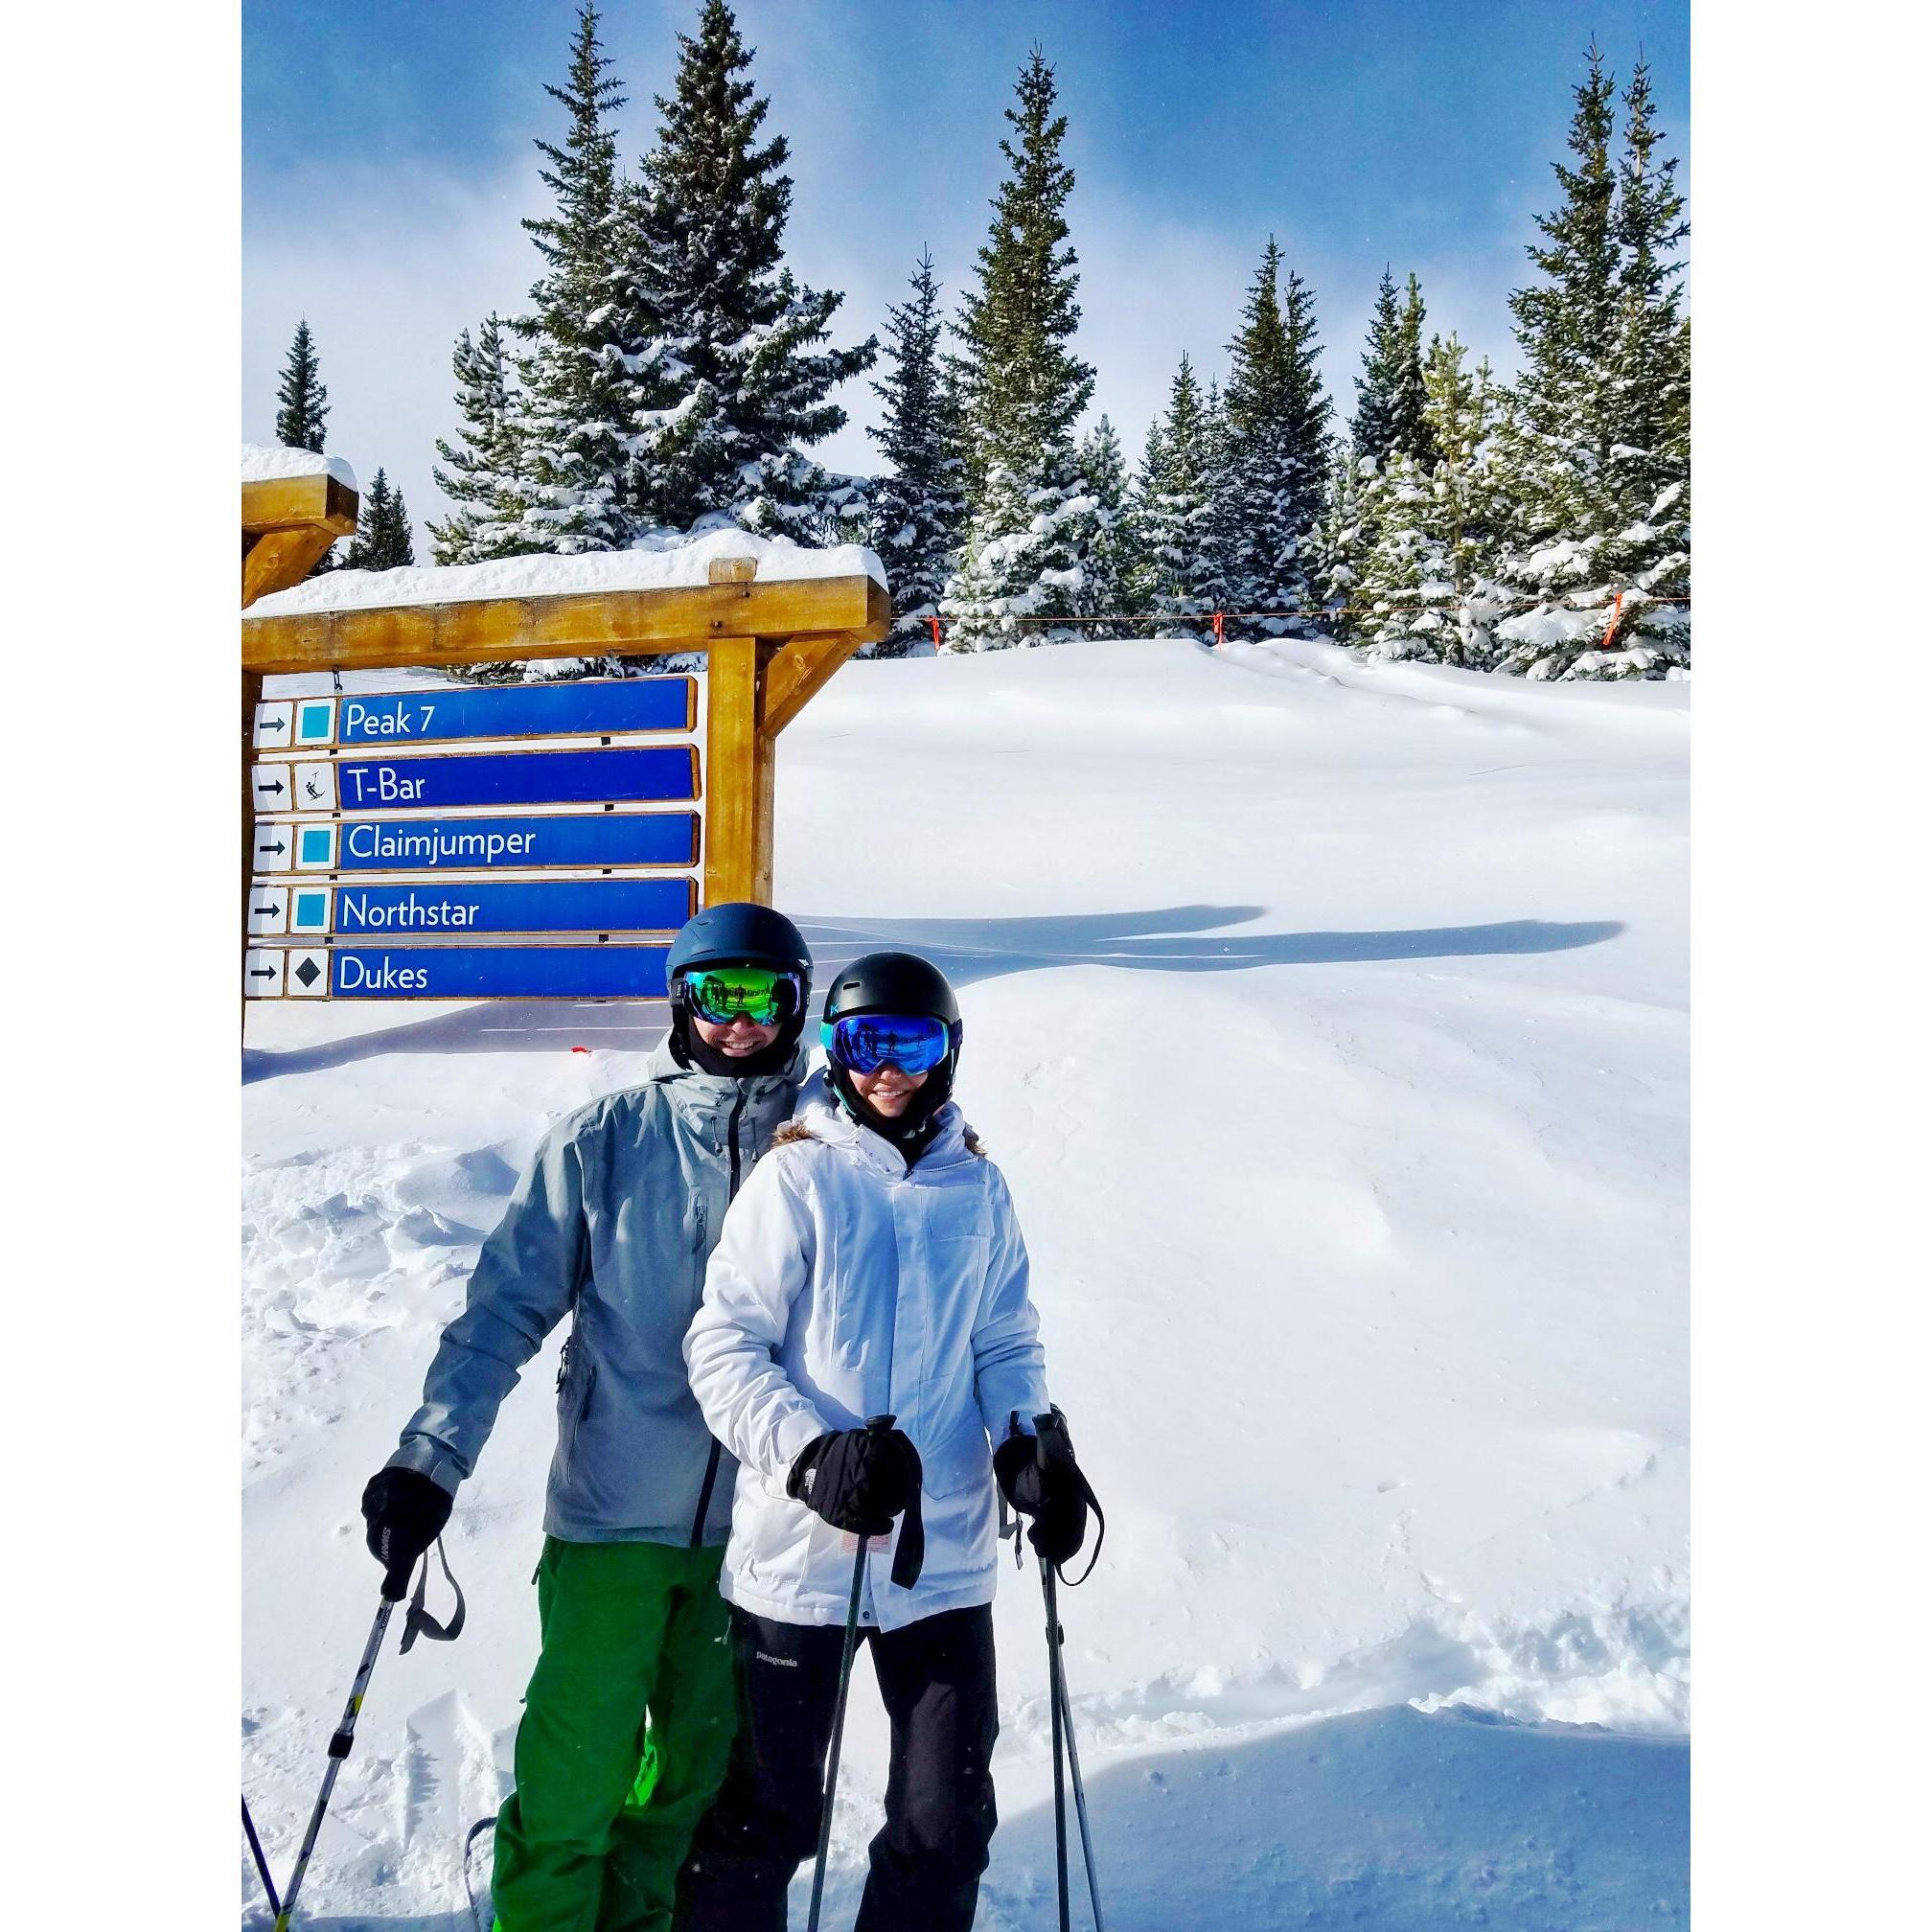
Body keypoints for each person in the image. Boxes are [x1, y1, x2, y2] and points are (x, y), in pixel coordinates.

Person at [358, 903, 816, 1932]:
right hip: (613, 1520)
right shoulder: (607, 1140)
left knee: (686, 1790)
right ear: (681, 1003)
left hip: (758, 1537)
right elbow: (502, 1310)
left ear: (797, 1005)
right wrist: (429, 1458)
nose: (740, 1020)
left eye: (764, 995)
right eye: (718, 994)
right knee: (575, 1783)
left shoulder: (823, 1146)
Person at [676, 951, 1099, 1932]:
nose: (887, 1070)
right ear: (835, 1048)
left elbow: (1005, 1340)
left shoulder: (978, 1190)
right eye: (865, 1043)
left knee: (943, 1825)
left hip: (940, 1555)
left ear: (948, 1052)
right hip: (801, 1557)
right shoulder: (798, 1178)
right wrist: (810, 1455)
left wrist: (1030, 1445)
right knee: (769, 1817)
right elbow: (723, 1345)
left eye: (911, 1043)